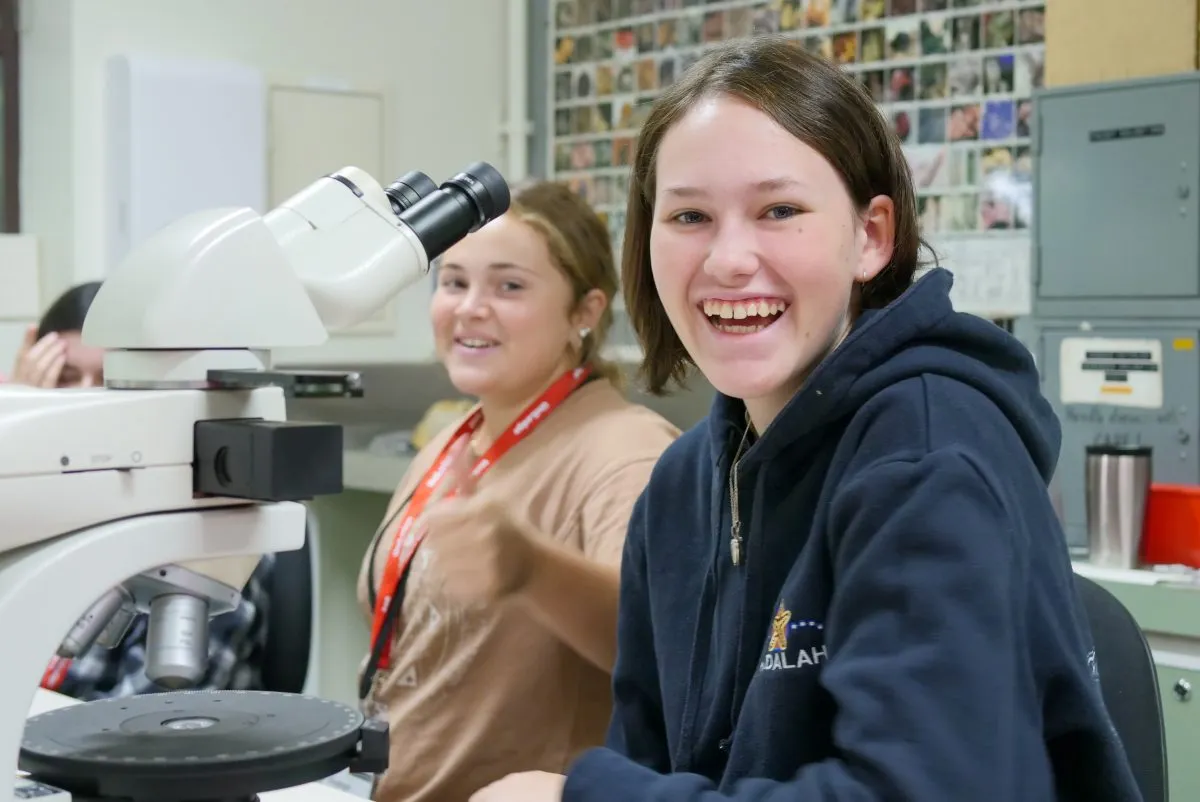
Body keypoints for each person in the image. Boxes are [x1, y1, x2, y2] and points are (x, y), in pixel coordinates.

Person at [473, 37, 1143, 802]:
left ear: (872, 236)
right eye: (689, 214)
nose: (728, 258)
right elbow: (653, 759)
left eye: (779, 210)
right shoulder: (683, 486)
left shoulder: (926, 458)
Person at [356, 179, 679, 802]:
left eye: (509, 286)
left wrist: (527, 567)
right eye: (454, 282)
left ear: (584, 312)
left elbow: (656, 648)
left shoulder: (626, 452)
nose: (471, 307)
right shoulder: (450, 441)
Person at [6, 282, 278, 701]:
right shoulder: (28, 509)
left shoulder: (206, 515)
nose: (84, 401)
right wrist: (17, 433)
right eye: (63, 379)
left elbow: (145, 718)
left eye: (108, 381)